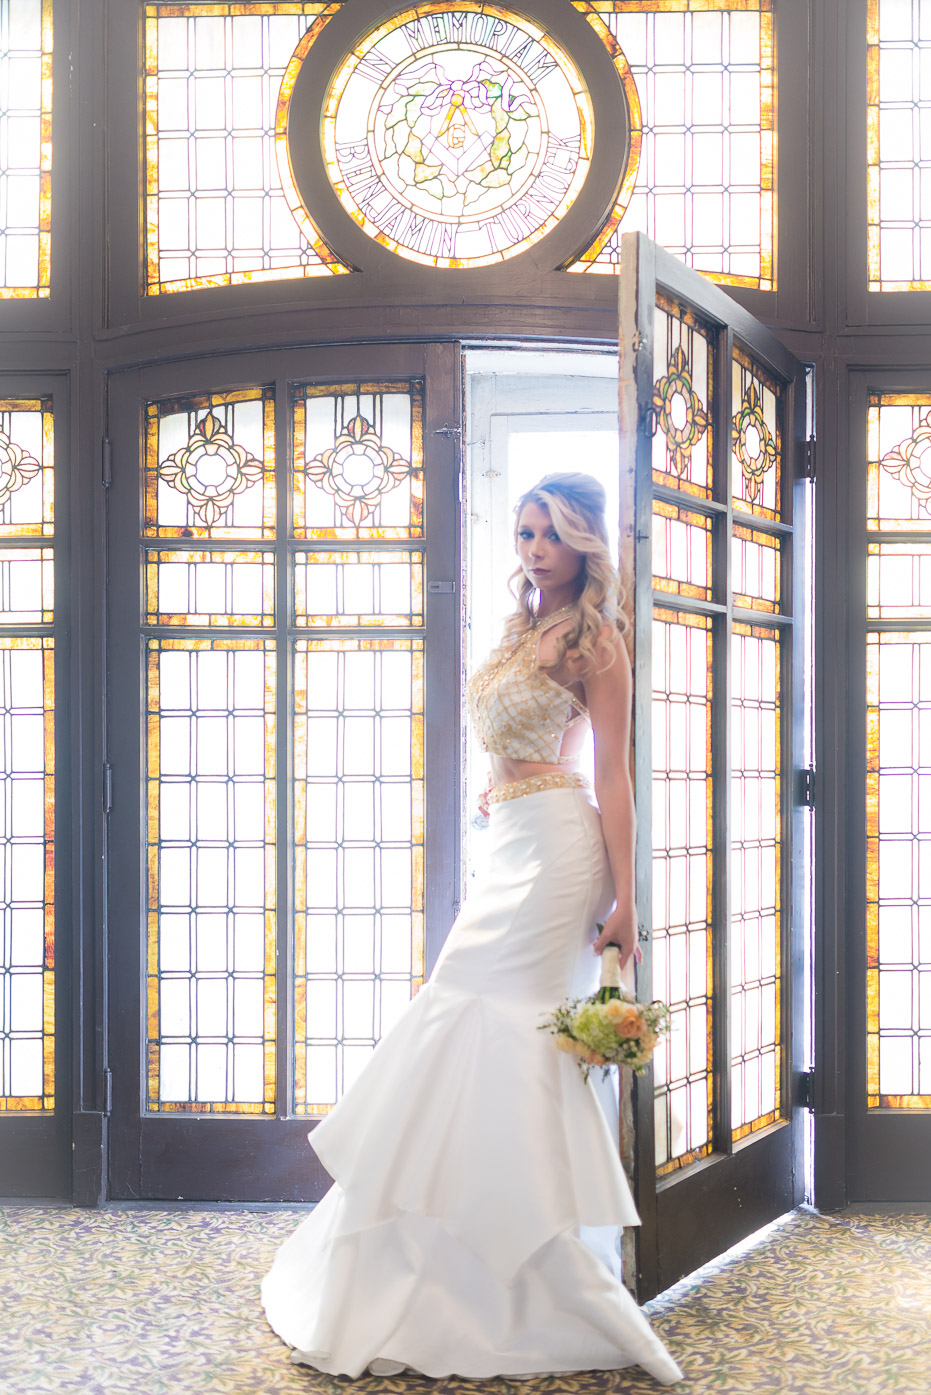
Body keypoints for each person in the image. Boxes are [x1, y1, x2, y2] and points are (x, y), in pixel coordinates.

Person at [261, 472, 683, 1385]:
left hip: (564, 852)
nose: (533, 548)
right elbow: (512, 741)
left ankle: (555, 1272)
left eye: (552, 535)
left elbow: (612, 775)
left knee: (501, 1022)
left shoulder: (594, 638)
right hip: (514, 842)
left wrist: (626, 899)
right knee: (459, 1014)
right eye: (527, 531)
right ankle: (440, 1263)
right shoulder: (515, 630)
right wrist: (501, 788)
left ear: (584, 547)